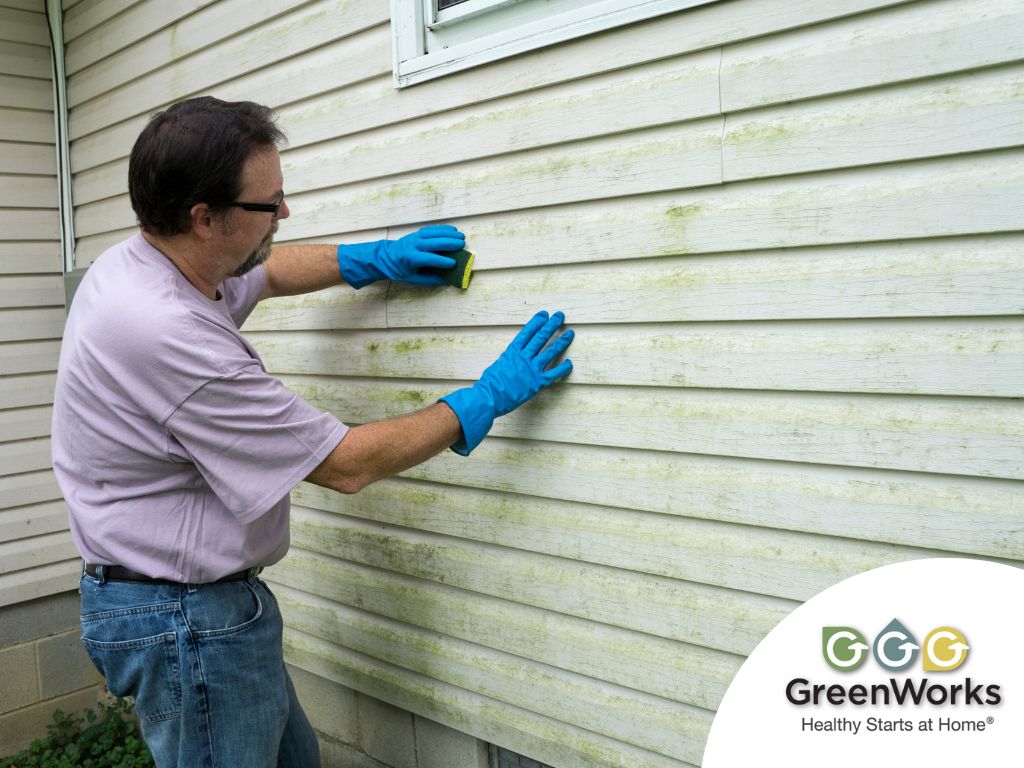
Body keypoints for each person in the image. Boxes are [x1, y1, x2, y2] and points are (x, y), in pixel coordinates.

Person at [51, 96, 574, 768]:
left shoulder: (147, 262)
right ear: (204, 219)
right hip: (185, 625)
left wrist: (371, 259)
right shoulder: (168, 334)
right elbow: (347, 464)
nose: (284, 215)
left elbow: (263, 272)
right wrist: (486, 398)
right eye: (268, 206)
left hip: (189, 607)